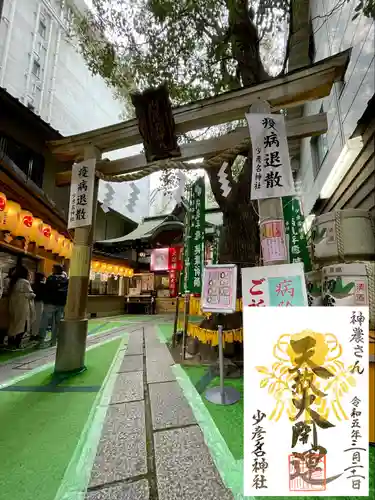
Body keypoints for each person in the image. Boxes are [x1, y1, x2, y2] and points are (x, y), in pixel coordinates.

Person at [38, 265, 68, 348]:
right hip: (61, 304)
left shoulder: (50, 278)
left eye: (53, 268)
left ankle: (41, 341)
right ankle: (53, 341)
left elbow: (46, 290)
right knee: (57, 323)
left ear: (55, 270)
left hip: (50, 303)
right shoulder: (66, 280)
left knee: (44, 322)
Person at [7, 266, 36, 350]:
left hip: (13, 305)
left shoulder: (13, 281)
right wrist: (34, 295)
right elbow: (30, 294)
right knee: (23, 325)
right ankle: (17, 344)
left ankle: (10, 343)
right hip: (22, 306)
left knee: (13, 324)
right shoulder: (25, 282)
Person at [30, 272, 45, 341]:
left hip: (32, 302)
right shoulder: (43, 285)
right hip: (39, 303)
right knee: (38, 319)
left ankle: (31, 333)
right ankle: (35, 334)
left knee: (32, 318)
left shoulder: (32, 284)